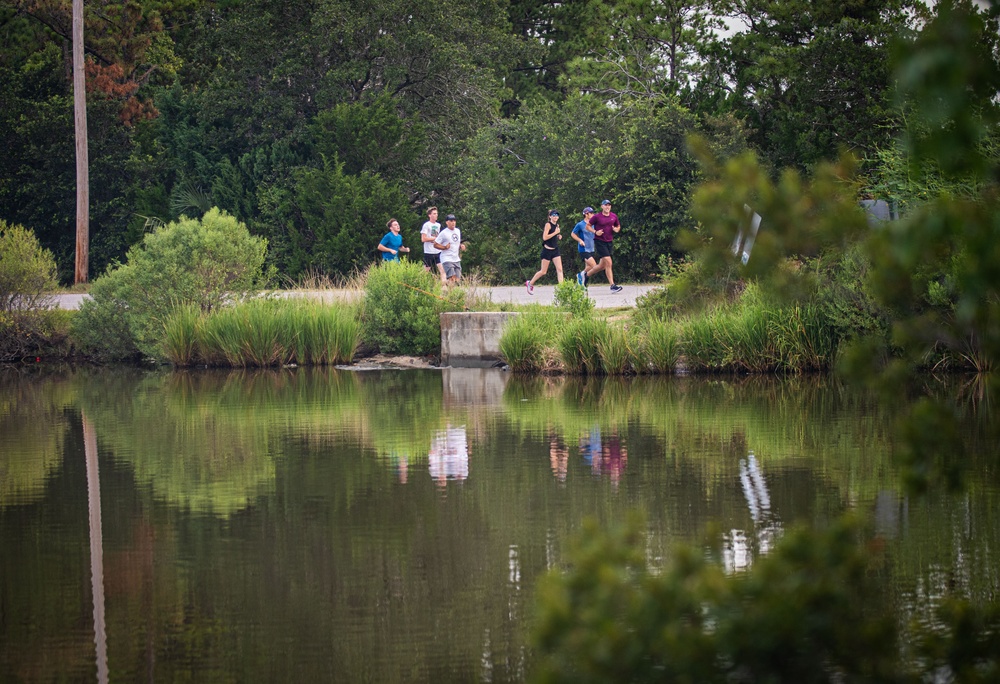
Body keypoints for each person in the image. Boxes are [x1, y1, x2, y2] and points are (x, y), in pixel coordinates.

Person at [577, 199, 622, 293]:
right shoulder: (597, 217)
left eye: (609, 205)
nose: (607, 207)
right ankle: (612, 286)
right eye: (605, 205)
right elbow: (587, 226)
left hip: (609, 242)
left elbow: (618, 226)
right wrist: (595, 232)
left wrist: (616, 230)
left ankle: (585, 275)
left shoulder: (614, 216)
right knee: (609, 262)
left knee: (602, 266)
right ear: (602, 206)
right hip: (600, 242)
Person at [525, 209, 563, 294]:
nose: (555, 217)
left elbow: (553, 236)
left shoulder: (557, 225)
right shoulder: (548, 225)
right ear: (550, 217)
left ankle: (562, 289)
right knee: (543, 271)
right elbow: (545, 237)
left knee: (560, 269)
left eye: (557, 215)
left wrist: (558, 236)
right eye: (553, 215)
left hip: (555, 250)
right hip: (547, 251)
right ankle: (530, 283)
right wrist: (555, 233)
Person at [433, 213, 466, 286]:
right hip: (447, 258)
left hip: (456, 258)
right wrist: (444, 247)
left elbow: (456, 242)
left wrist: (461, 245)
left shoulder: (457, 231)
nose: (453, 222)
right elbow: (435, 244)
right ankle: (449, 295)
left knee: (457, 280)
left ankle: (443, 285)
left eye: (454, 220)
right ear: (447, 222)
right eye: (451, 221)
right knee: (452, 278)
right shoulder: (444, 233)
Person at [570, 207, 597, 284]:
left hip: (591, 248)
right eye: (591, 213)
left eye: (593, 213)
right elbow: (573, 234)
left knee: (588, 267)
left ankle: (583, 283)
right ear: (586, 214)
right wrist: (580, 240)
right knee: (594, 266)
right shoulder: (580, 224)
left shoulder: (594, 224)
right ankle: (581, 275)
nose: (593, 214)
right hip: (584, 249)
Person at [420, 206, 446, 284]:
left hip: (437, 251)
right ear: (429, 215)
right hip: (429, 251)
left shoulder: (438, 225)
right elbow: (423, 239)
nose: (436, 215)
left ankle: (444, 287)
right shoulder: (426, 225)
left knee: (442, 270)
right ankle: (420, 284)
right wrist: (434, 238)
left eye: (436, 213)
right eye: (434, 214)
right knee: (426, 271)